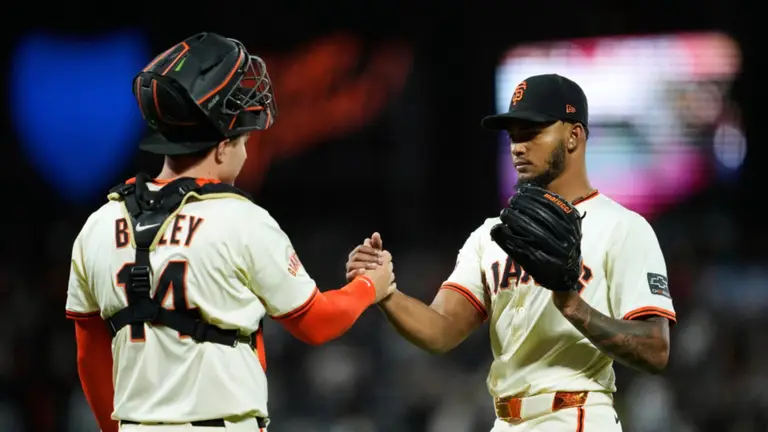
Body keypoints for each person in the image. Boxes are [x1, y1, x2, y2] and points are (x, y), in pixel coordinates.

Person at [65, 32, 395, 432]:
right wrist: (370, 286)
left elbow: (90, 356)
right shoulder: (241, 220)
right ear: (221, 147)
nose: (246, 151)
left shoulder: (99, 225)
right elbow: (317, 322)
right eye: (244, 141)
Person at [346, 74, 676, 431]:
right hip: (505, 421)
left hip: (576, 415)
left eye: (532, 132)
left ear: (573, 136)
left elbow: (656, 350)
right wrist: (387, 294)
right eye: (514, 136)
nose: (518, 147)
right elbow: (441, 330)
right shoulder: (491, 235)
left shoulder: (622, 228)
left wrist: (572, 306)